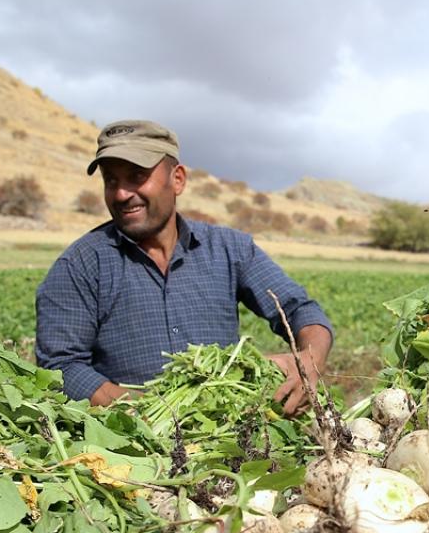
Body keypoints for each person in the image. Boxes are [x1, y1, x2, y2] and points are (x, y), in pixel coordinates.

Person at [36, 119, 332, 414]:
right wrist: (150, 412)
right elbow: (61, 366)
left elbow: (299, 310)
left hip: (230, 433)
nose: (122, 194)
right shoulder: (79, 266)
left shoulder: (230, 249)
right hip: (130, 438)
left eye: (137, 176)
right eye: (111, 180)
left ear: (177, 179)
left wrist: (310, 359)